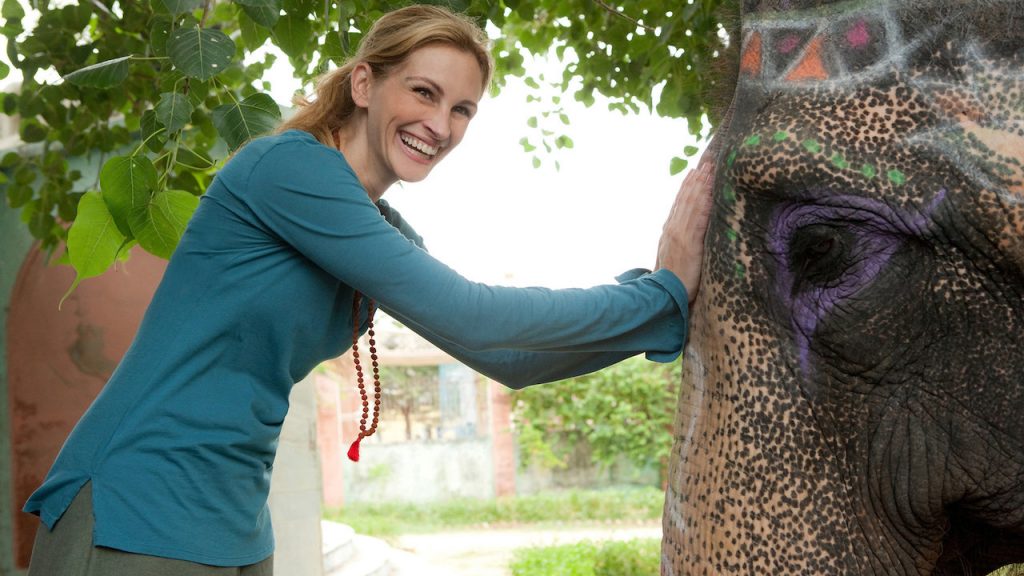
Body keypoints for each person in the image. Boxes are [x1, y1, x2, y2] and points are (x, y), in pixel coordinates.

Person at [22, 4, 716, 575]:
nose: (441, 126)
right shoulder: (289, 169)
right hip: (137, 503)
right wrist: (659, 295)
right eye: (423, 92)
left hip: (235, 522)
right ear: (363, 85)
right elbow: (474, 315)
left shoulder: (377, 232)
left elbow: (511, 357)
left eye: (464, 109)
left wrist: (674, 309)